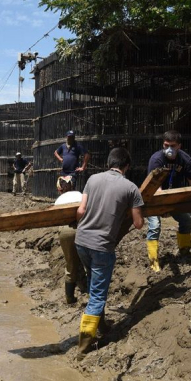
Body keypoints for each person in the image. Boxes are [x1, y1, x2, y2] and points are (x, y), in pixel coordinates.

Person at [74, 147, 144, 358]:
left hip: (81, 241)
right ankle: (84, 345)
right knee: (97, 295)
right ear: (127, 166)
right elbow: (139, 224)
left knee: (94, 284)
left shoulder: (92, 180)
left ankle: (102, 325)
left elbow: (80, 211)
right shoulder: (131, 188)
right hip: (102, 247)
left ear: (109, 163)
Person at [145, 130, 191, 271]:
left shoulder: (185, 160)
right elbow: (157, 188)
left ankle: (185, 252)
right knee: (155, 225)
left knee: (186, 220)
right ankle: (153, 260)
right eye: (166, 145)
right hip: (154, 199)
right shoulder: (156, 160)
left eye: (173, 145)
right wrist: (164, 208)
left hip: (175, 199)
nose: (169, 149)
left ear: (179, 146)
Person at [55, 176, 87, 304]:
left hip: (66, 231)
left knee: (70, 263)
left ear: (60, 189)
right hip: (83, 229)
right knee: (88, 263)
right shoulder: (80, 195)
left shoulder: (59, 200)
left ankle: (69, 298)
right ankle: (90, 293)